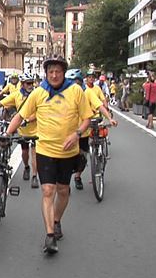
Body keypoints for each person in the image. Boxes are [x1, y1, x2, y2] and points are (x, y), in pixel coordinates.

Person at [7, 57, 92, 254]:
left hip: (68, 152)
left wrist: (76, 134)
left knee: (63, 191)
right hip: (45, 150)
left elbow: (87, 118)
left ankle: (57, 220)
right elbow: (20, 116)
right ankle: (50, 235)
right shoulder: (38, 93)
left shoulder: (76, 91)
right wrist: (7, 134)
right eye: (50, 71)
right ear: (46, 73)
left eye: (58, 72)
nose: (54, 75)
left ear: (63, 73)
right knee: (47, 191)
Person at [66, 69, 118, 190]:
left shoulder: (88, 92)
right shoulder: (65, 94)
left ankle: (78, 176)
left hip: (85, 131)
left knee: (82, 159)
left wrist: (110, 118)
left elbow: (100, 105)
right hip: (69, 132)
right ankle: (65, 183)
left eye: (75, 83)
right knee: (66, 160)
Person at [0, 73, 39, 188]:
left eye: (31, 83)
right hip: (23, 131)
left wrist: (27, 119)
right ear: (22, 84)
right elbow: (1, 103)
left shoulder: (37, 95)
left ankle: (34, 176)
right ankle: (26, 167)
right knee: (25, 153)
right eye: (28, 83)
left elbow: (39, 112)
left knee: (35, 153)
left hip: (36, 130)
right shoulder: (16, 95)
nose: (30, 85)